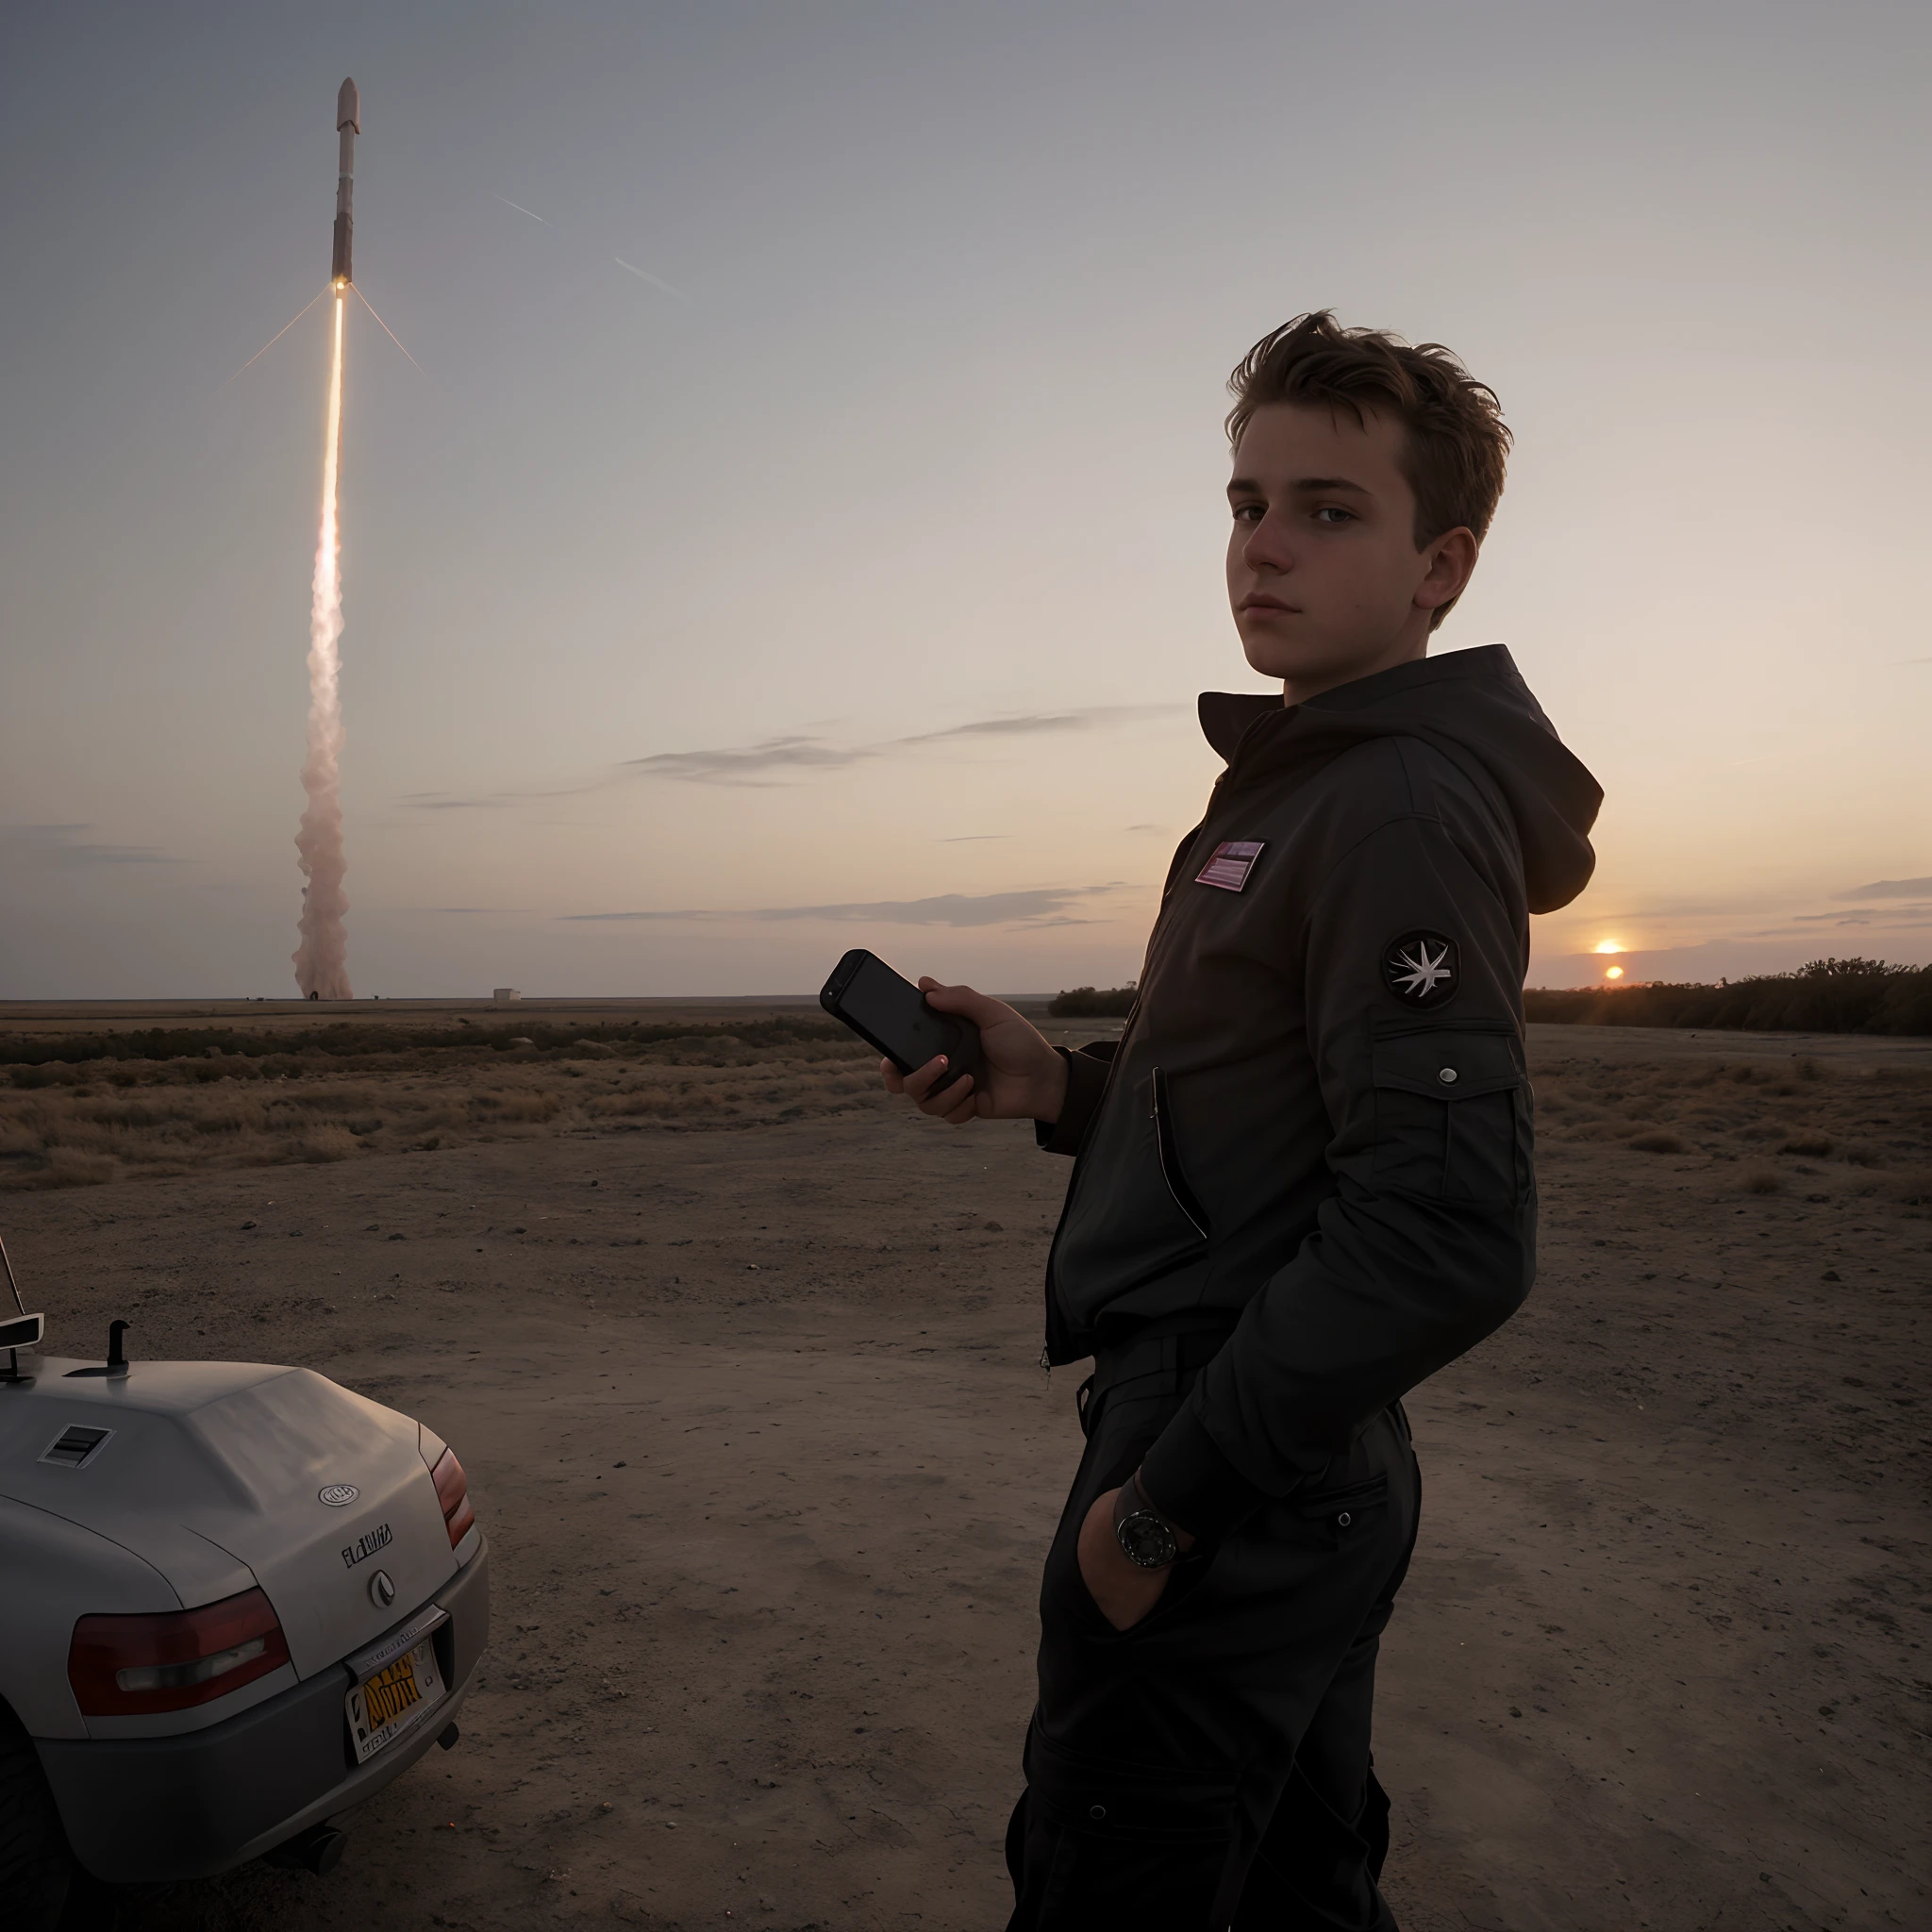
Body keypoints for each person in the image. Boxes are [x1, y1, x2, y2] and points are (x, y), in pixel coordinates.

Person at [882, 311, 1603, 1928]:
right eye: (1244, 501)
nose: (1263, 545)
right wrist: (1055, 1085)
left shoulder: (1397, 800)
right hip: (1272, 1457)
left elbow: (1446, 1231)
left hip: (1235, 1469)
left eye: (1328, 510)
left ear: (1443, 567)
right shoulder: (1306, 782)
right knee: (1291, 1895)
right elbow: (1265, 1112)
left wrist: (1164, 1509)